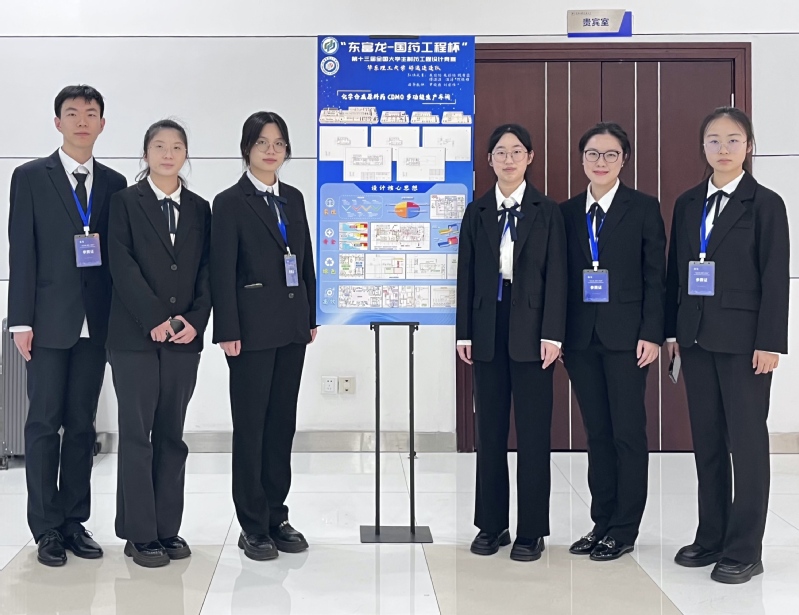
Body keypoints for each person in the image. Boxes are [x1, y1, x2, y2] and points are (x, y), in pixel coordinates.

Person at [665, 107, 789, 584]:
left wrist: (770, 342)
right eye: (713, 140)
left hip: (745, 344)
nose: (722, 148)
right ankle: (711, 535)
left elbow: (775, 278)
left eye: (733, 140)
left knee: (747, 444)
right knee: (708, 442)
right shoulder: (688, 203)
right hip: (696, 339)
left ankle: (744, 549)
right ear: (703, 147)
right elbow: (677, 273)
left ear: (749, 146)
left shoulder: (765, 204)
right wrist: (674, 333)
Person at [7, 85, 126, 567]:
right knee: (42, 424)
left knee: (81, 425)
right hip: (47, 322)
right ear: (57, 123)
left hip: (96, 324)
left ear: (102, 124)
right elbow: (22, 251)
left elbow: (118, 258)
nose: (81, 121)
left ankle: (75, 520)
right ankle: (46, 528)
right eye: (72, 113)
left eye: (90, 114)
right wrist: (20, 320)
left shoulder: (116, 183)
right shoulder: (30, 177)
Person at [456, 123, 566, 562]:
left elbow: (557, 276)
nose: (508, 159)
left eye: (516, 151)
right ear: (489, 160)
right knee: (489, 432)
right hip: (487, 330)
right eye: (500, 152)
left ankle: (531, 530)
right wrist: (464, 332)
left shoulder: (547, 211)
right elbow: (465, 275)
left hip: (534, 331)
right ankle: (492, 524)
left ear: (530, 157)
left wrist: (553, 334)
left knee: (534, 433)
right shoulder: (477, 211)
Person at [210, 111, 317, 561]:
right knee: (251, 426)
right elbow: (221, 270)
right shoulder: (229, 202)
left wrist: (311, 314)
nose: (271, 151)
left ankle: (277, 514)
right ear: (247, 149)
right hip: (249, 332)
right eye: (262, 143)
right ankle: (252, 524)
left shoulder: (293, 198)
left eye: (279, 144)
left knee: (281, 424)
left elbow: (304, 258)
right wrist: (227, 329)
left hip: (292, 326)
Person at [107, 119, 212, 568]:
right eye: (159, 146)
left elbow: (208, 269)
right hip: (133, 338)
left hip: (183, 339)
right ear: (146, 153)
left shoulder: (201, 208)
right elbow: (121, 264)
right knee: (137, 436)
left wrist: (194, 320)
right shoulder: (124, 202)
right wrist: (154, 318)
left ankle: (167, 528)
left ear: (186, 155)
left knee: (171, 435)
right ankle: (140, 533)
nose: (168, 155)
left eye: (177, 147)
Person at [560, 122, 666, 561]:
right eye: (592, 154)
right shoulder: (566, 213)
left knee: (627, 433)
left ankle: (624, 529)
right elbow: (560, 280)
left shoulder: (643, 207)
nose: (600, 162)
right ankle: (601, 522)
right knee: (597, 434)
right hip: (581, 340)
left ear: (624, 160)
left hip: (628, 340)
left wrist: (652, 333)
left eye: (610, 154)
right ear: (582, 159)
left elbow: (656, 277)